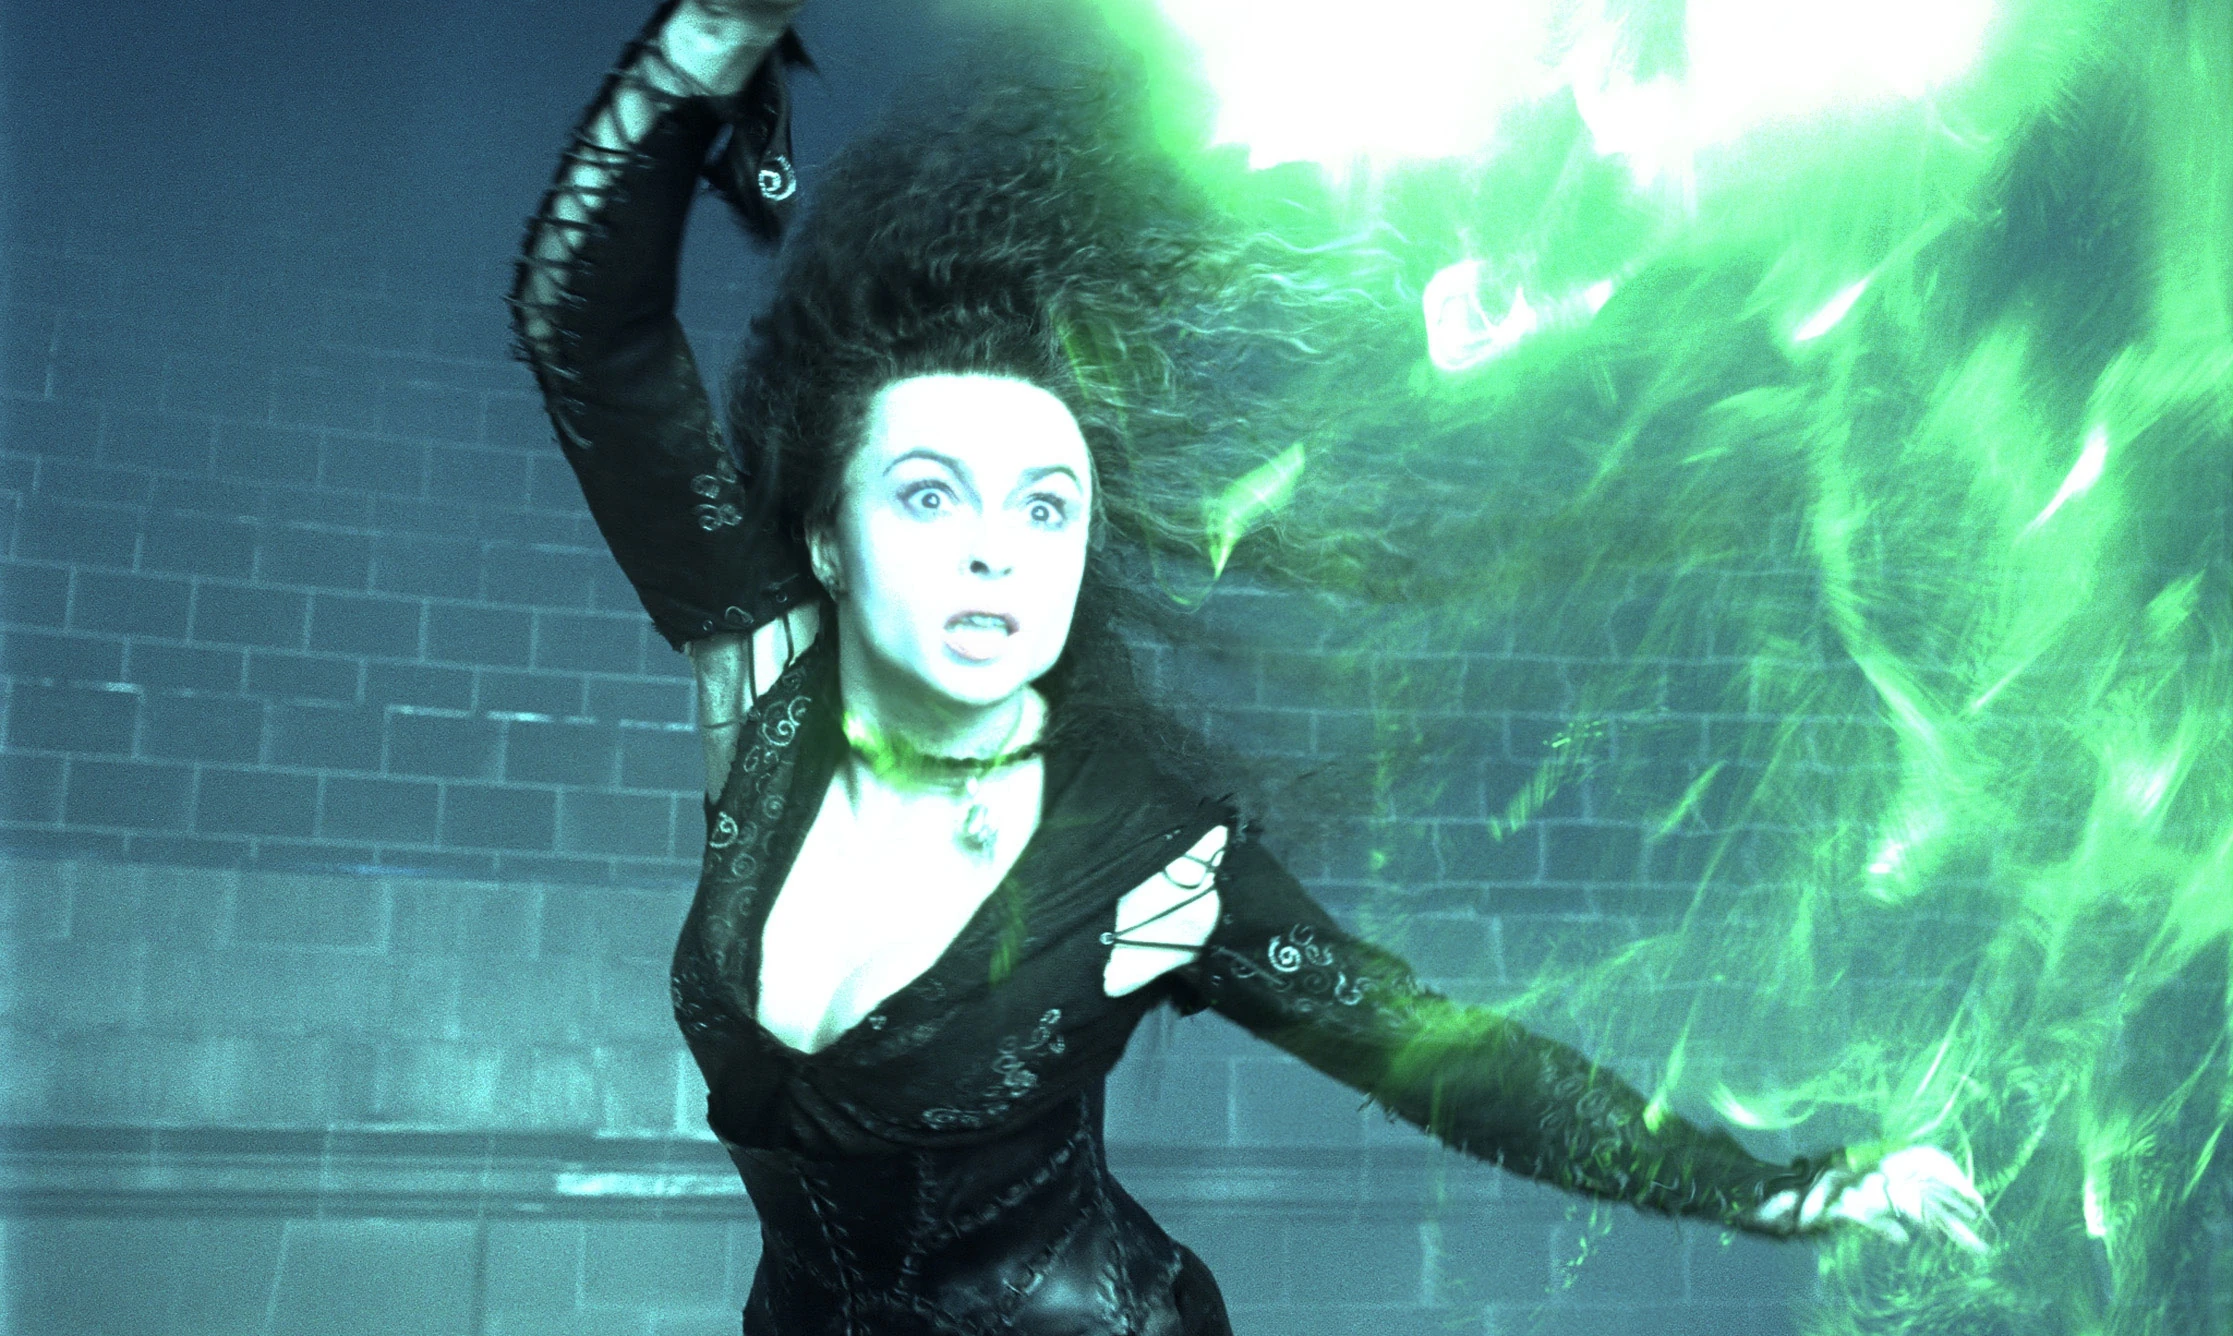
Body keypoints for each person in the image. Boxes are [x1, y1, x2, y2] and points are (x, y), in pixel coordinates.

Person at [508, 2, 1990, 1331]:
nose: (994, 552)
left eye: (1045, 507)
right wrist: (710, 37)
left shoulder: (1156, 857)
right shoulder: (765, 681)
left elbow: (1444, 1059)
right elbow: (587, 331)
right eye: (930, 495)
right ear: (829, 543)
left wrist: (1788, 1191)